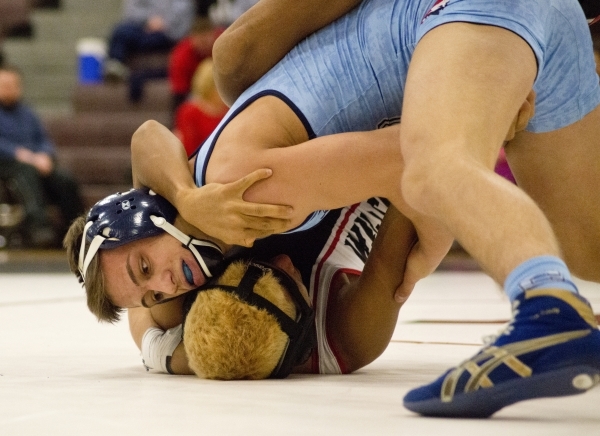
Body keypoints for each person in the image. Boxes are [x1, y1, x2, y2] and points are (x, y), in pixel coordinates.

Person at [206, 0, 600, 418]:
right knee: (589, 248)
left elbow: (407, 168)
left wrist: (427, 246)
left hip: (466, 14)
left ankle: (547, 304)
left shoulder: (233, 190)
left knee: (432, 166)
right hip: (549, 18)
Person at [130, 196, 416, 379]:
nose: (283, 261)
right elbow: (416, 188)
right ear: (299, 326)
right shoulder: (350, 338)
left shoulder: (175, 322)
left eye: (257, 266)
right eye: (284, 281)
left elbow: (145, 138)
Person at [0, 65, 84, 248]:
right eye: (4, 84)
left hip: (35, 162)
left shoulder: (27, 113)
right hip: (8, 164)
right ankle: (39, 229)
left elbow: (43, 139)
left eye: (12, 84)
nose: (8, 88)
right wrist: (21, 154)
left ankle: (74, 233)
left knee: (65, 181)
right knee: (26, 172)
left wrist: (45, 155)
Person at [103, 0, 194, 82]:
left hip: (167, 35)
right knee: (121, 31)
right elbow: (131, 11)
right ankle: (115, 67)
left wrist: (165, 24)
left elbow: (184, 25)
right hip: (141, 29)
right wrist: (148, 20)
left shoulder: (185, 3)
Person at [168, 17, 223, 116]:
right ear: (192, 38)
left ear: (214, 35)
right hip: (193, 97)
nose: (204, 44)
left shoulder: (224, 45)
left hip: (224, 94)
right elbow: (179, 94)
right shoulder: (181, 56)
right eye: (200, 40)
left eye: (206, 39)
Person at [173, 58, 228, 156]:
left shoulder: (231, 111)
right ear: (208, 87)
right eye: (220, 87)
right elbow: (189, 148)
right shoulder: (189, 112)